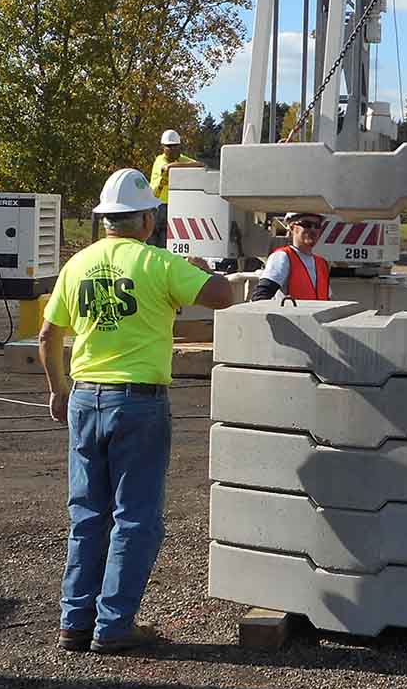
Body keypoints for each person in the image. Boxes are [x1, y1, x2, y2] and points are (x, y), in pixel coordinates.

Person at [40, 167, 236, 654]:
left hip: (85, 396)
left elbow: (48, 336)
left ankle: (74, 623)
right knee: (136, 517)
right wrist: (205, 271)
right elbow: (222, 296)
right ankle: (113, 627)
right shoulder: (159, 264)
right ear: (147, 219)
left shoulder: (77, 264)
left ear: (106, 220)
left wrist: (59, 390)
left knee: (87, 514)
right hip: (138, 403)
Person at [249, 212, 332, 300]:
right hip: (292, 314)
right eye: (307, 224)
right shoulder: (283, 257)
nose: (313, 229)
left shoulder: (322, 263)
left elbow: (327, 299)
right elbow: (261, 295)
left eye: (317, 226)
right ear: (292, 228)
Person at [147, 129, 201, 248]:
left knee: (165, 243)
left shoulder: (181, 160)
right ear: (163, 147)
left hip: (171, 207)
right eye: (169, 147)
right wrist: (174, 165)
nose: (172, 149)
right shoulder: (160, 160)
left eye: (175, 146)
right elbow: (166, 169)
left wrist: (175, 165)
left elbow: (200, 165)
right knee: (151, 242)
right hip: (155, 206)